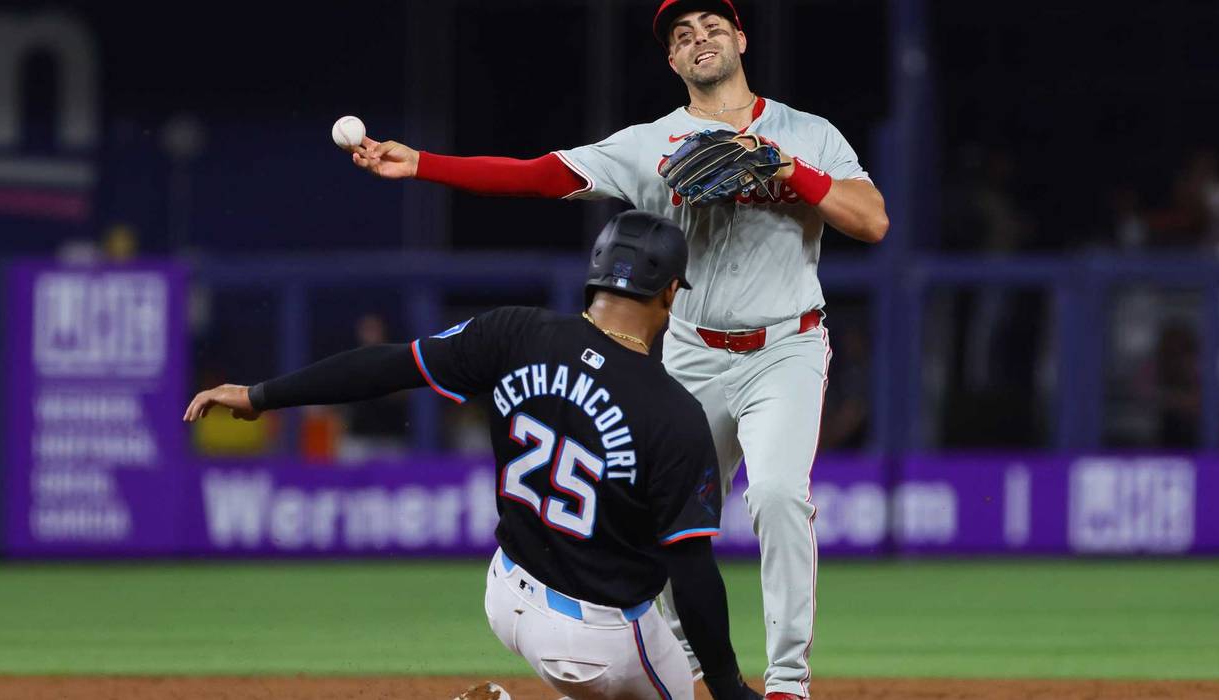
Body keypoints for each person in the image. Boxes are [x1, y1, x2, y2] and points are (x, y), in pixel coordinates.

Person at [347, 2, 889, 696]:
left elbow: (871, 221)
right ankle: (681, 664)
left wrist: (789, 170)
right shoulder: (649, 144)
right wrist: (424, 163)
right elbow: (539, 175)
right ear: (671, 59)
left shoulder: (807, 133)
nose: (699, 39)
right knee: (658, 516)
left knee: (779, 496)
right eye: (682, 35)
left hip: (784, 346)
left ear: (740, 38)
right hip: (692, 347)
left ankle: (787, 682)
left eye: (712, 26)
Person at [185, 211, 761, 700]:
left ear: (596, 273)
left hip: (505, 592)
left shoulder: (513, 332)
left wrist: (261, 395)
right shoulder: (672, 411)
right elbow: (692, 576)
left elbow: (386, 366)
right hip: (596, 640)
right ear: (670, 292)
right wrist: (729, 687)